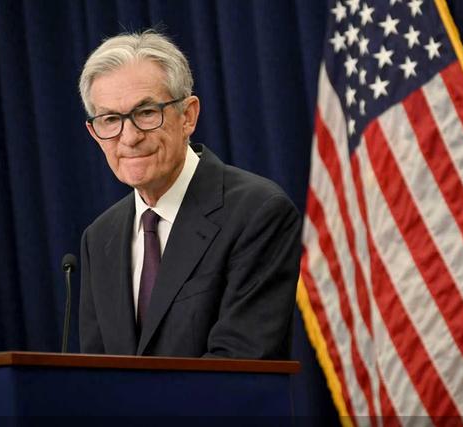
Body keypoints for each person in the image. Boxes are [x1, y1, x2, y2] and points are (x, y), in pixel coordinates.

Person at [77, 30, 302, 359]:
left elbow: (239, 365)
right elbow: (94, 373)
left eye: (146, 113)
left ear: (188, 116)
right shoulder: (99, 238)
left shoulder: (258, 212)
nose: (129, 137)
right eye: (110, 119)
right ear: (94, 132)